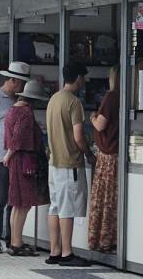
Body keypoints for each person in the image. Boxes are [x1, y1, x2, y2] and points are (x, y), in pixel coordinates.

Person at [45, 61, 92, 267]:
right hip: (69, 163)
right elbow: (79, 135)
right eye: (84, 77)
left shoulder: (54, 99)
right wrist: (89, 153)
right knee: (67, 208)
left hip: (54, 162)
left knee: (55, 207)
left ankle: (54, 250)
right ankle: (66, 252)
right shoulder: (73, 102)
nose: (85, 81)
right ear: (79, 78)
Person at [0, 61, 30, 254]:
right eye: (21, 83)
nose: (23, 87)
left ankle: (11, 238)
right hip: (0, 156)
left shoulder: (18, 99)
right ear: (12, 80)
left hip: (16, 157)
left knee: (13, 199)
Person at [3, 79, 50, 256]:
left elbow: (10, 137)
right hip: (25, 160)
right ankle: (17, 242)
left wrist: (8, 154)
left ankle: (15, 242)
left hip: (16, 161)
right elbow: (19, 138)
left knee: (16, 203)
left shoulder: (12, 110)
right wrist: (10, 153)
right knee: (24, 204)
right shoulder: (26, 113)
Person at [89, 64, 120, 254]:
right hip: (119, 153)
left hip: (107, 155)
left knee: (104, 199)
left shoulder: (110, 97)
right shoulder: (127, 96)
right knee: (114, 200)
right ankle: (113, 238)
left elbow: (101, 125)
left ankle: (101, 238)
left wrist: (93, 117)